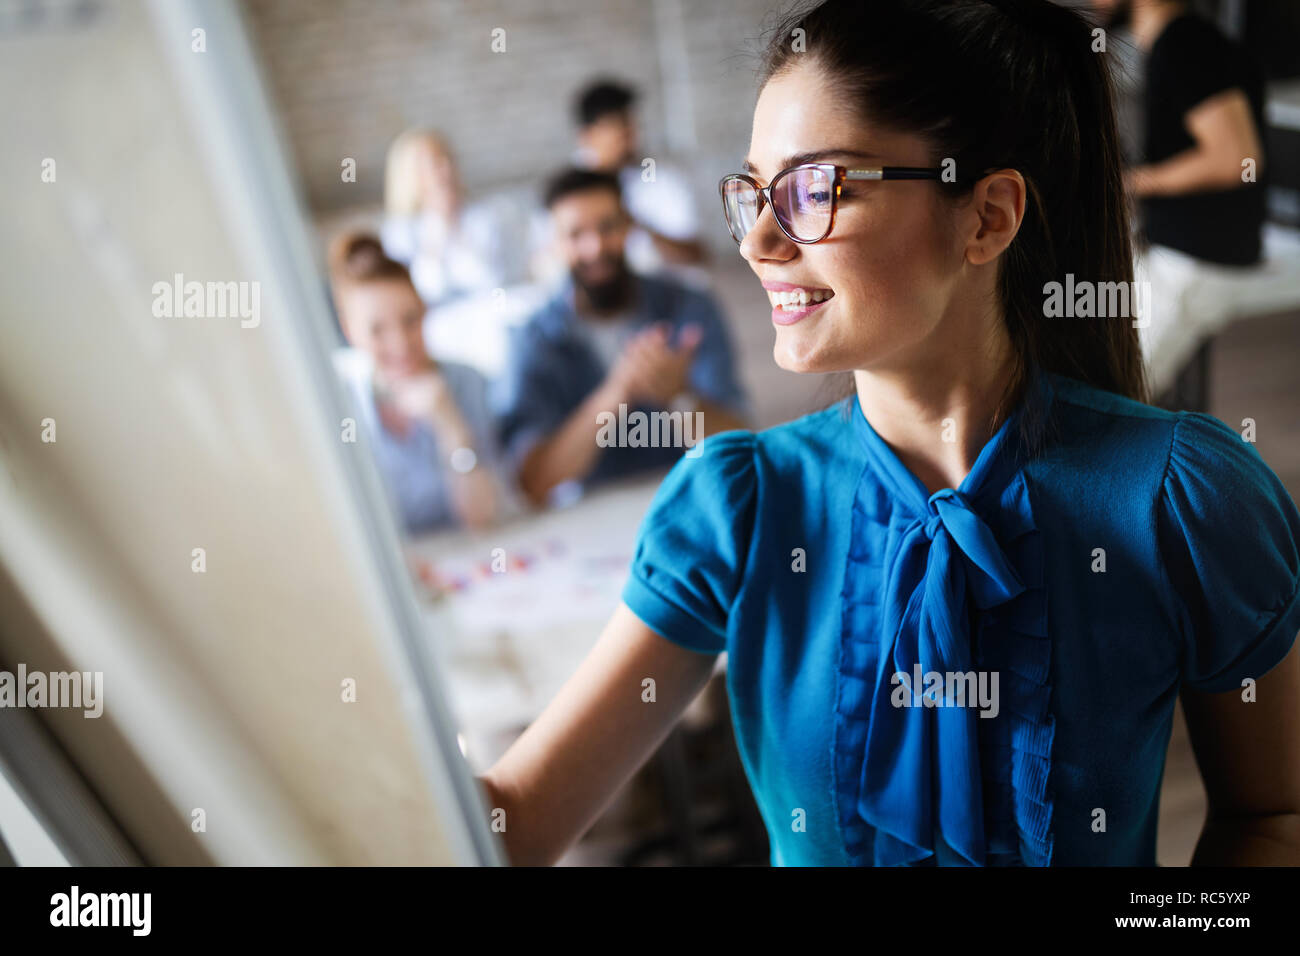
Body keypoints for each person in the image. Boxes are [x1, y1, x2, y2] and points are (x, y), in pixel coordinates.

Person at [480, 0, 1300, 867]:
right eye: (754, 193)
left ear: (987, 217)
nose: (759, 241)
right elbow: (516, 819)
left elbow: (1268, 817)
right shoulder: (742, 509)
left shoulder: (1184, 498)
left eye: (814, 189)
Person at [496, 168, 749, 507]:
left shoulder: (689, 306)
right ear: (554, 244)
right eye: (575, 234)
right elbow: (534, 483)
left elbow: (740, 444)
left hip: (692, 500)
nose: (595, 247)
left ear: (629, 225)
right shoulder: (533, 338)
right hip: (592, 519)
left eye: (607, 226)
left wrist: (679, 397)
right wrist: (616, 392)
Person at [1090, 0, 1269, 395]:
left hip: (1194, 260)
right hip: (1181, 254)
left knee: (1111, 401)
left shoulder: (1185, 44)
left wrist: (1132, 183)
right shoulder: (1176, 43)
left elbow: (1238, 157)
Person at [328, 232, 503, 533]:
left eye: (410, 320)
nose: (400, 344)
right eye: (377, 330)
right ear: (349, 330)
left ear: (425, 312)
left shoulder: (469, 382)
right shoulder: (339, 404)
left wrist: (449, 423)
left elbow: (482, 517)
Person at [570, 78, 707, 278]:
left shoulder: (663, 180)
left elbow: (696, 254)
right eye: (615, 127)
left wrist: (637, 225)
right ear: (586, 136)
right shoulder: (567, 192)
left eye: (630, 126)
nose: (629, 137)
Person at [381, 129, 526, 308]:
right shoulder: (400, 233)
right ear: (411, 175)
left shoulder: (488, 215)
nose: (446, 169)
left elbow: (496, 280)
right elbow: (423, 293)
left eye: (448, 158)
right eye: (434, 163)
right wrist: (438, 226)